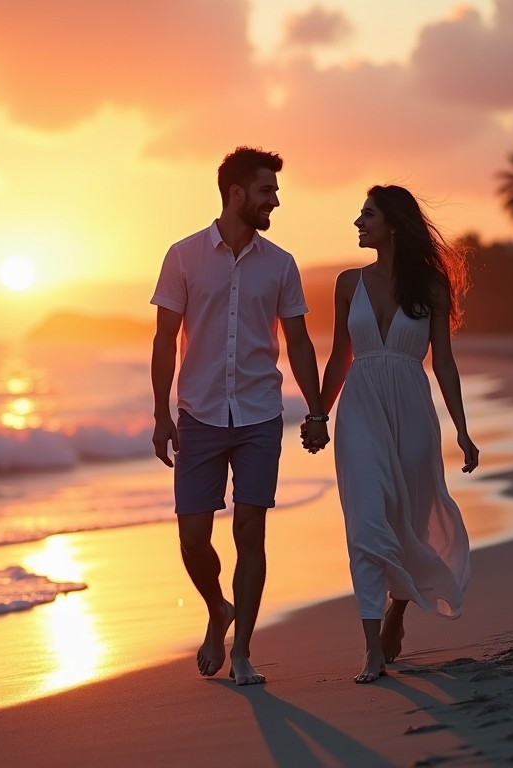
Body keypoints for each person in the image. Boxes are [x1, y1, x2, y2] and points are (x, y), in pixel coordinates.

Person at [151, 146, 330, 686]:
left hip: (258, 414)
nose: (275, 200)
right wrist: (162, 414)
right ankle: (216, 609)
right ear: (236, 194)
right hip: (200, 414)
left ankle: (245, 652)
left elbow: (298, 341)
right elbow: (163, 339)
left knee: (251, 532)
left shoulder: (281, 264)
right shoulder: (182, 257)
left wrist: (318, 410)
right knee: (192, 538)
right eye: (266, 191)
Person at [307, 184, 478, 684]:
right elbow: (340, 355)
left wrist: (463, 431)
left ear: (393, 225)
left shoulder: (431, 287)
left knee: (411, 516)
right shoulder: (346, 282)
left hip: (412, 408)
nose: (358, 223)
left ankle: (397, 611)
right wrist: (319, 414)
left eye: (367, 215)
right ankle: (370, 650)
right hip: (360, 406)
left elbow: (443, 363)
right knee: (366, 519)